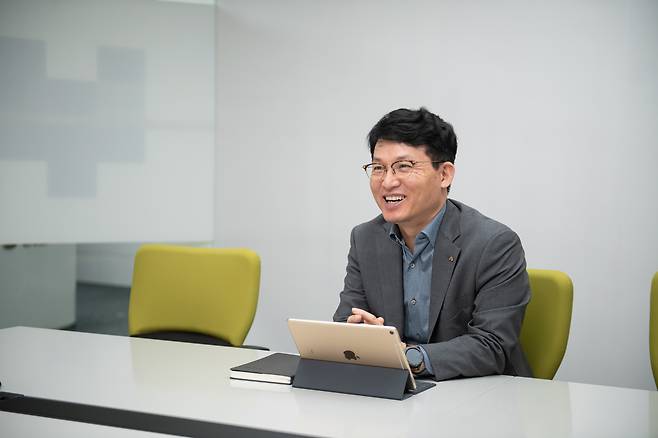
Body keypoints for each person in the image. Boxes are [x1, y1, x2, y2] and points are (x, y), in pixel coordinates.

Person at [333, 107, 533, 381]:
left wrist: (407, 357)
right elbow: (346, 321)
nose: (387, 181)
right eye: (378, 168)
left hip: (480, 396)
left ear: (444, 175)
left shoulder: (494, 243)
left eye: (404, 166)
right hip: (396, 396)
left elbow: (492, 345)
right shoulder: (366, 238)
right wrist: (357, 335)